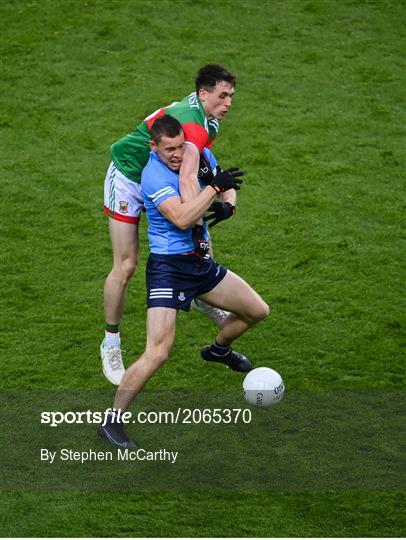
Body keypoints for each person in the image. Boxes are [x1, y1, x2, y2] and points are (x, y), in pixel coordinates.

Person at [98, 115, 269, 448]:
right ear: (154, 147)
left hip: (201, 265)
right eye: (169, 149)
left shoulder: (195, 153)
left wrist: (228, 205)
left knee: (257, 310)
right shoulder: (152, 175)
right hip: (170, 269)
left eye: (180, 146)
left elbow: (224, 182)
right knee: (158, 352)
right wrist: (214, 190)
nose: (177, 154)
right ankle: (112, 421)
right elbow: (182, 217)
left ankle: (218, 351)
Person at [102, 64, 239, 386]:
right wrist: (209, 199)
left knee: (192, 232)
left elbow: (197, 169)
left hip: (160, 179)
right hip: (127, 179)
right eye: (222, 96)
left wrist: (220, 201)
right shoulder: (194, 125)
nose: (228, 102)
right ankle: (110, 343)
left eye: (231, 96)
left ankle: (201, 294)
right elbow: (189, 178)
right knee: (126, 265)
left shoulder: (210, 122)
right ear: (203, 94)